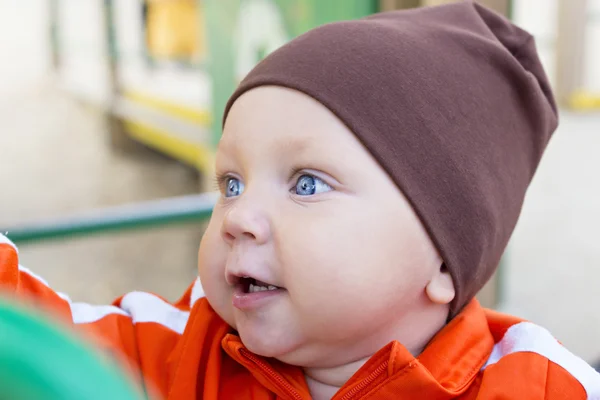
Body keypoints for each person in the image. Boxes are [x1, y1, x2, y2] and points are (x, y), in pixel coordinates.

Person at [2, 2, 599, 399]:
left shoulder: (537, 384)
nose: (238, 218)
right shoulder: (178, 347)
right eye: (230, 183)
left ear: (443, 259)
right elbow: (23, 324)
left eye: (306, 184)